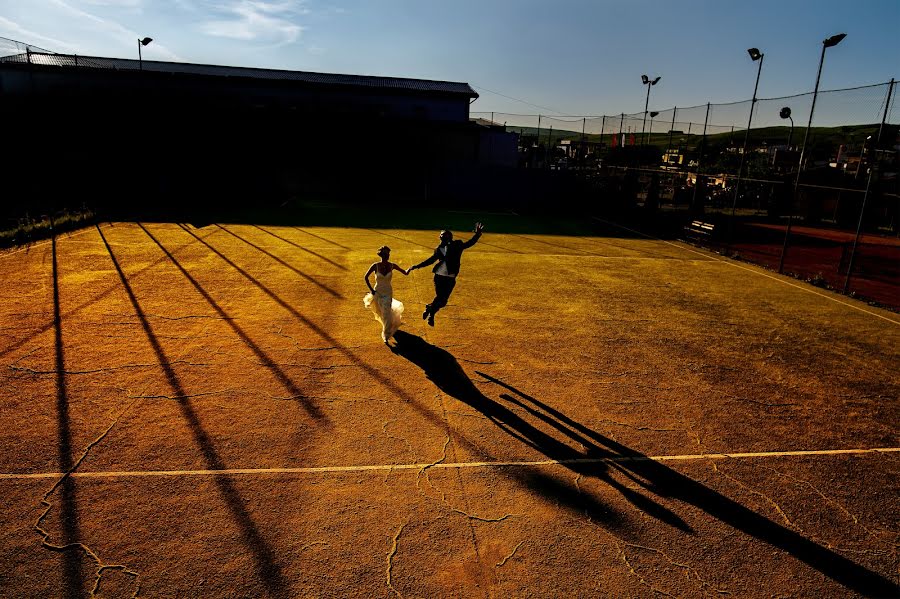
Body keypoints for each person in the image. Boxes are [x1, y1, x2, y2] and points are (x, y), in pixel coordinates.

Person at [409, 222, 483, 326]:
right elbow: (430, 260)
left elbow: (470, 243)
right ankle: (431, 313)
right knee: (441, 299)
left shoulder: (457, 244)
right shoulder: (438, 249)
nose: (442, 236)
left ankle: (430, 310)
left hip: (450, 277)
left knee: (442, 301)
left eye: (445, 235)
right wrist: (417, 266)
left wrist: (478, 234)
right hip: (439, 276)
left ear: (450, 237)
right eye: (441, 235)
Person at [364, 246, 409, 344]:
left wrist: (410, 269)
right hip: (377, 292)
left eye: (388, 254)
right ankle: (390, 324)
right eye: (385, 254)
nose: (387, 256)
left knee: (386, 312)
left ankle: (386, 335)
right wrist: (372, 290)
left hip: (388, 292)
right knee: (381, 312)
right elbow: (366, 277)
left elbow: (405, 272)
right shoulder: (375, 265)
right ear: (381, 255)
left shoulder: (392, 265)